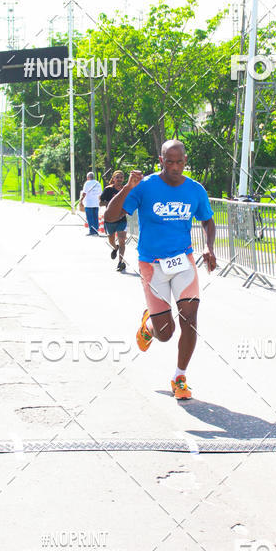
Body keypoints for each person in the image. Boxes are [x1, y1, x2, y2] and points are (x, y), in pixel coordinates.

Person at [104, 140, 216, 399]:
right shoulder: (144, 187)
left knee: (190, 321)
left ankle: (179, 377)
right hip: (152, 265)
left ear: (185, 161)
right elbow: (111, 218)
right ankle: (150, 325)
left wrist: (209, 247)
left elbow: (207, 220)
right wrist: (127, 189)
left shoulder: (195, 190)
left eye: (179, 162)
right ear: (161, 160)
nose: (175, 167)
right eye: (169, 161)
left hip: (183, 262)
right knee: (165, 333)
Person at [100, 170, 127, 272]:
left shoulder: (125, 190)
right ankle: (115, 248)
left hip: (121, 218)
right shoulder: (108, 190)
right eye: (117, 177)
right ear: (113, 179)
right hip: (110, 219)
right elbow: (100, 203)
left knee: (122, 241)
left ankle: (120, 262)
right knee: (111, 240)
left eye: (121, 177)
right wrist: (111, 203)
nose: (119, 179)